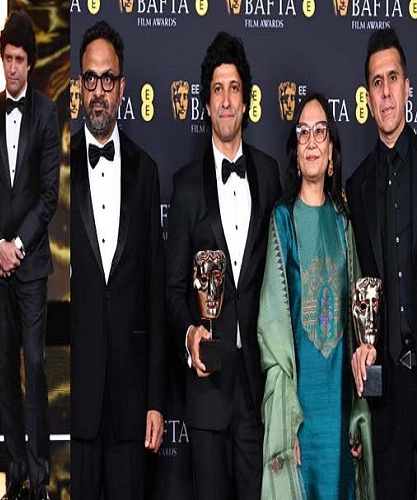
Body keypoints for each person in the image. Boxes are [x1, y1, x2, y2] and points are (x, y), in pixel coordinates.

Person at [165, 31, 280, 500]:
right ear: (207, 104)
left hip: (257, 389)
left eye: (234, 88)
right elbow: (173, 289)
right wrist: (190, 333)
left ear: (246, 100)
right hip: (207, 390)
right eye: (217, 89)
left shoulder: (269, 174)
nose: (227, 100)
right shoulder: (186, 185)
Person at [257, 93, 375, 500]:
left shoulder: (344, 224)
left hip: (338, 411)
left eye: (320, 131)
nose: (310, 141)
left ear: (331, 151)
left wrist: (358, 409)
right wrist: (285, 420)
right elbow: (273, 328)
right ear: (295, 151)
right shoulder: (282, 220)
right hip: (299, 413)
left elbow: (358, 330)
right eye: (303, 132)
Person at [70, 20, 166, 500]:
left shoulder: (146, 171)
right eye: (91, 78)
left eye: (108, 79)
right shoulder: (59, 166)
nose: (99, 91)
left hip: (132, 404)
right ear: (79, 86)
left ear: (122, 86)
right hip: (75, 396)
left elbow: (155, 291)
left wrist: (155, 400)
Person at [0, 10, 59, 500]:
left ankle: (40, 474)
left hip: (31, 264)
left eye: (20, 60)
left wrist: (17, 246)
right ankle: (15, 472)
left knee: (35, 364)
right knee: (5, 367)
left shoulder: (46, 113)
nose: (12, 67)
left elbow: (48, 195)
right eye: (7, 58)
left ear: (31, 63)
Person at [347, 27, 416, 500]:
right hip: (385, 391)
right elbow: (356, 285)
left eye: (393, 78)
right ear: (368, 98)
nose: (386, 91)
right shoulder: (357, 186)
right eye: (377, 82)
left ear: (407, 88)